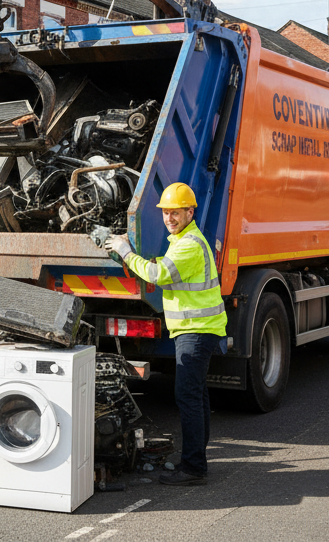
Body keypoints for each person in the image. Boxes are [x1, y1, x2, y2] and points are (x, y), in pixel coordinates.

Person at [105, 182, 226, 486]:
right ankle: (195, 460)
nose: (169, 218)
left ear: (190, 213)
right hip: (197, 329)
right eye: (166, 212)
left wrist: (125, 251)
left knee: (187, 396)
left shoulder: (188, 244)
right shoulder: (183, 239)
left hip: (196, 330)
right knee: (196, 395)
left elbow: (158, 276)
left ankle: (194, 468)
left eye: (176, 212)